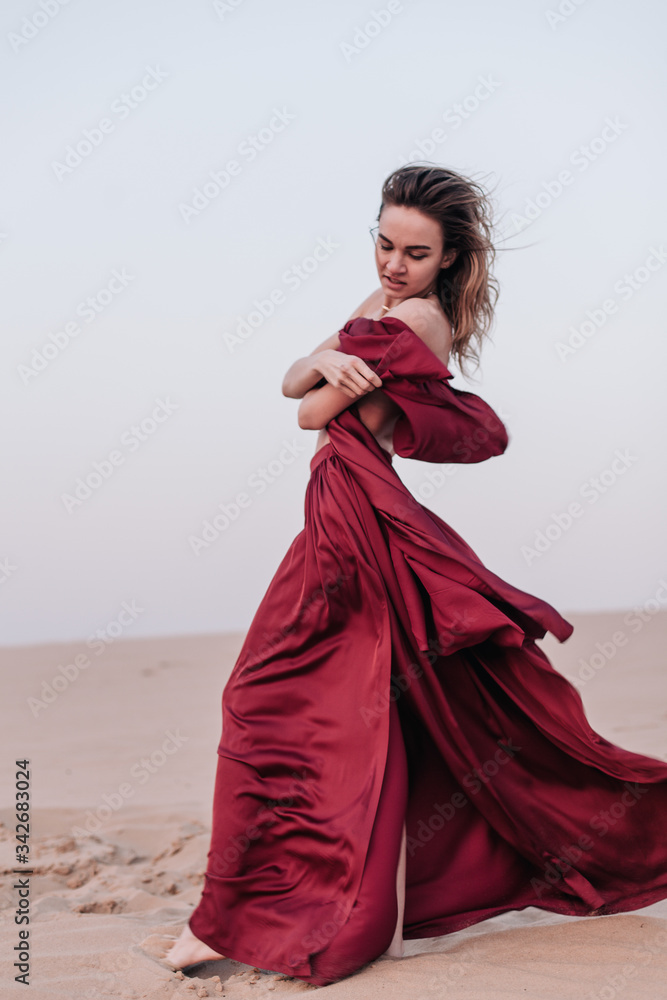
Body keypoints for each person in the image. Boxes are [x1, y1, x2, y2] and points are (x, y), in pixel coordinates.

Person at [165, 164, 667, 986]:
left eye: (415, 252)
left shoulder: (418, 322)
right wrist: (324, 355)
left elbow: (306, 410)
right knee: (374, 717)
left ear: (447, 260)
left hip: (357, 521)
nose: (393, 264)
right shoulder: (378, 313)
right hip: (342, 510)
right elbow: (296, 381)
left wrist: (322, 361)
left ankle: (237, 918)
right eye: (384, 243)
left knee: (263, 700)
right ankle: (369, 917)